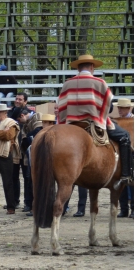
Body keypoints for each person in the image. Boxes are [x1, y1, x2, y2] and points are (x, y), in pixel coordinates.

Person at [57, 54, 133, 189]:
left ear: (78, 68)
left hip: (70, 124)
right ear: (92, 67)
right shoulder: (100, 83)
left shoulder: (67, 83)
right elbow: (108, 108)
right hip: (93, 123)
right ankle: (126, 175)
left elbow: (61, 106)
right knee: (125, 137)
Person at [23, 113, 56, 217]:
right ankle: (37, 207)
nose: (44, 124)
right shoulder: (38, 133)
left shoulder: (42, 134)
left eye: (46, 122)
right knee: (38, 185)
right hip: (40, 163)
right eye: (43, 122)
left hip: (49, 163)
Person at [8, 92, 31, 207]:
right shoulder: (10, 112)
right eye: (16, 99)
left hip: (25, 149)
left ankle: (28, 202)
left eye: (20, 100)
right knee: (13, 176)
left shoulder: (30, 114)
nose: (17, 101)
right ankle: (14, 201)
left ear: (25, 102)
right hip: (13, 149)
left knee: (27, 177)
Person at [15, 107, 40, 213]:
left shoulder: (37, 117)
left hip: (37, 153)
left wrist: (26, 138)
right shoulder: (27, 123)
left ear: (22, 116)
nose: (19, 122)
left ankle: (32, 204)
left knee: (31, 179)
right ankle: (29, 204)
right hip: (30, 153)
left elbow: (39, 131)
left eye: (19, 120)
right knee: (28, 179)